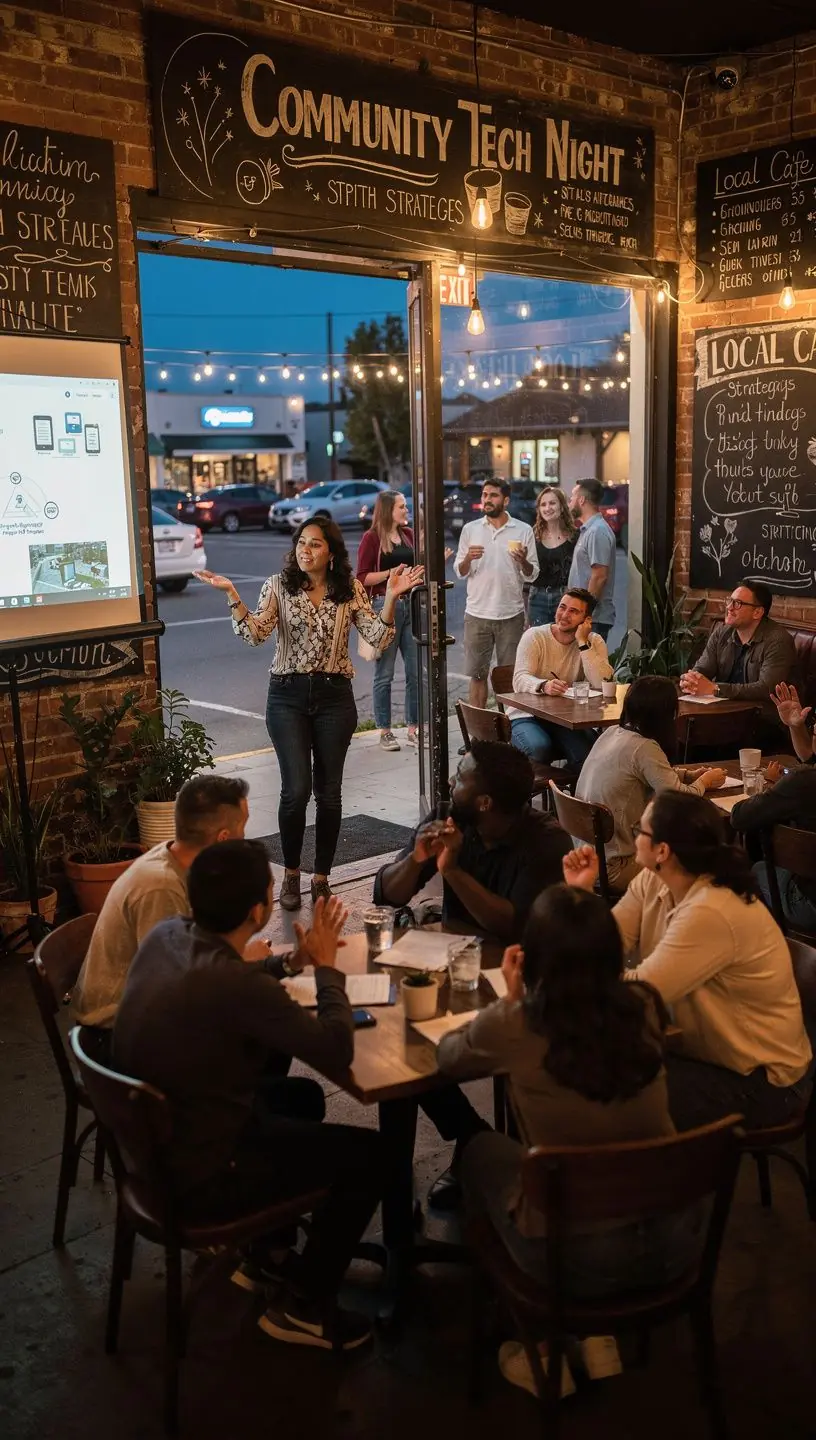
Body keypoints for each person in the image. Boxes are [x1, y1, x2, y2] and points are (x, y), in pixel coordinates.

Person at [113, 839, 385, 1351]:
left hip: (155, 1145)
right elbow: (336, 1048)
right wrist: (326, 967)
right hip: (203, 1174)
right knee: (371, 1157)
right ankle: (303, 1304)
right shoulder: (232, 986)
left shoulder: (168, 935)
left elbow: (234, 980)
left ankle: (269, 1253)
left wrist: (288, 963)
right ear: (260, 910)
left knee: (299, 1096)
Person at [438, 886, 704, 1399]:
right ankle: (594, 1335)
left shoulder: (519, 1024)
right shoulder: (646, 1006)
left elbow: (450, 1059)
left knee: (479, 1152)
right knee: (559, 1163)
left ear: (532, 957)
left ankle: (541, 1346)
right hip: (677, 1243)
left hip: (577, 1264)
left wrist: (510, 1002)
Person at [198, 517, 422, 910]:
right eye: (302, 543)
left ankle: (321, 877)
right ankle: (290, 874)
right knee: (295, 790)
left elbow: (378, 637)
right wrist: (232, 593)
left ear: (331, 553)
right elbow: (254, 635)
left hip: (335, 697)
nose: (306, 550)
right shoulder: (278, 586)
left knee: (329, 793)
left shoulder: (348, 589)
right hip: (287, 696)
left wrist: (390, 598)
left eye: (315, 545)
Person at [563, 791, 813, 1132]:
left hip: (762, 1082)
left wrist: (569, 980)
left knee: (604, 1094)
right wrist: (580, 894)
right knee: (585, 1069)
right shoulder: (654, 879)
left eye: (640, 829)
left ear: (662, 851)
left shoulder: (711, 911)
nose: (634, 834)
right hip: (706, 1055)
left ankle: (659, 1182)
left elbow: (639, 994)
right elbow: (607, 941)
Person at [73, 775, 266, 1030]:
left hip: (141, 1007)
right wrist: (241, 961)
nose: (245, 836)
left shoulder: (176, 858)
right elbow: (172, 986)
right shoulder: (162, 887)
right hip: (115, 1026)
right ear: (223, 837)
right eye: (243, 825)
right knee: (261, 1024)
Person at [375, 738, 570, 942]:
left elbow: (516, 928)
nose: (450, 781)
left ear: (485, 803)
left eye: (459, 778)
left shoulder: (546, 842)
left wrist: (452, 871)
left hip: (514, 963)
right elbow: (387, 896)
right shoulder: (448, 817)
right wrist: (414, 860)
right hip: (452, 953)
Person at [576, 676, 726, 889]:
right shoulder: (645, 747)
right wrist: (705, 780)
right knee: (700, 867)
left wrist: (686, 775)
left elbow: (646, 772)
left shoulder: (612, 732)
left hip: (585, 857)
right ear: (666, 715)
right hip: (615, 867)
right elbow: (680, 799)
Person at [728, 681, 816, 934]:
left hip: (809, 905)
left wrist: (773, 792)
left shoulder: (801, 783)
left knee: (753, 869)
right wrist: (796, 727)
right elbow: (809, 758)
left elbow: (739, 817)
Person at [454, 478, 538, 710]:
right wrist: (468, 559)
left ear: (506, 500)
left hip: (511, 615)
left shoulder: (523, 530)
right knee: (477, 676)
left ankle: (512, 732)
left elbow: (532, 574)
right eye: (484, 495)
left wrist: (523, 561)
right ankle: (479, 736)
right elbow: (460, 572)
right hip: (477, 614)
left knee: (510, 677)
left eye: (493, 495)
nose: (487, 500)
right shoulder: (470, 530)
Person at [506, 587, 611, 769]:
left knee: (589, 752)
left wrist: (582, 643)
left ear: (586, 620)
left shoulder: (594, 641)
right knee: (540, 748)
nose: (564, 615)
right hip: (527, 715)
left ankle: (568, 794)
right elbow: (520, 678)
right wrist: (544, 685)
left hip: (567, 719)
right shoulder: (535, 636)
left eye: (573, 611)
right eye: (562, 607)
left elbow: (603, 682)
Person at [356, 489, 424, 753]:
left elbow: (415, 571)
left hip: (412, 605)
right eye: (402, 507)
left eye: (406, 506)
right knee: (384, 674)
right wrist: (390, 574)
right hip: (385, 607)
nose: (406, 511)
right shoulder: (371, 538)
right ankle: (385, 730)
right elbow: (362, 577)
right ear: (387, 510)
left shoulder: (407, 536)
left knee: (415, 672)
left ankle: (413, 728)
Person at [679, 579, 797, 729]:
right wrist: (691, 679)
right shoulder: (722, 632)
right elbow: (703, 668)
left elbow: (766, 689)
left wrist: (716, 689)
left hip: (763, 719)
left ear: (757, 612)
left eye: (737, 603)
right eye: (730, 601)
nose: (729, 607)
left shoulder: (778, 640)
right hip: (723, 712)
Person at [567, 479, 617, 640]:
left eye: (572, 497)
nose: (570, 502)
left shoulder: (597, 531)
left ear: (581, 500)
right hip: (585, 617)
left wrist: (584, 612)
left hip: (592, 619)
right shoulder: (588, 530)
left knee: (588, 664)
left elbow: (600, 576)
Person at [527, 485, 578, 628]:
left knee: (563, 645)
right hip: (537, 599)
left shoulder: (575, 536)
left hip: (565, 598)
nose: (547, 508)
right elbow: (526, 574)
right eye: (543, 504)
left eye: (552, 503)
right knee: (541, 644)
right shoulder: (533, 535)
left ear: (562, 507)